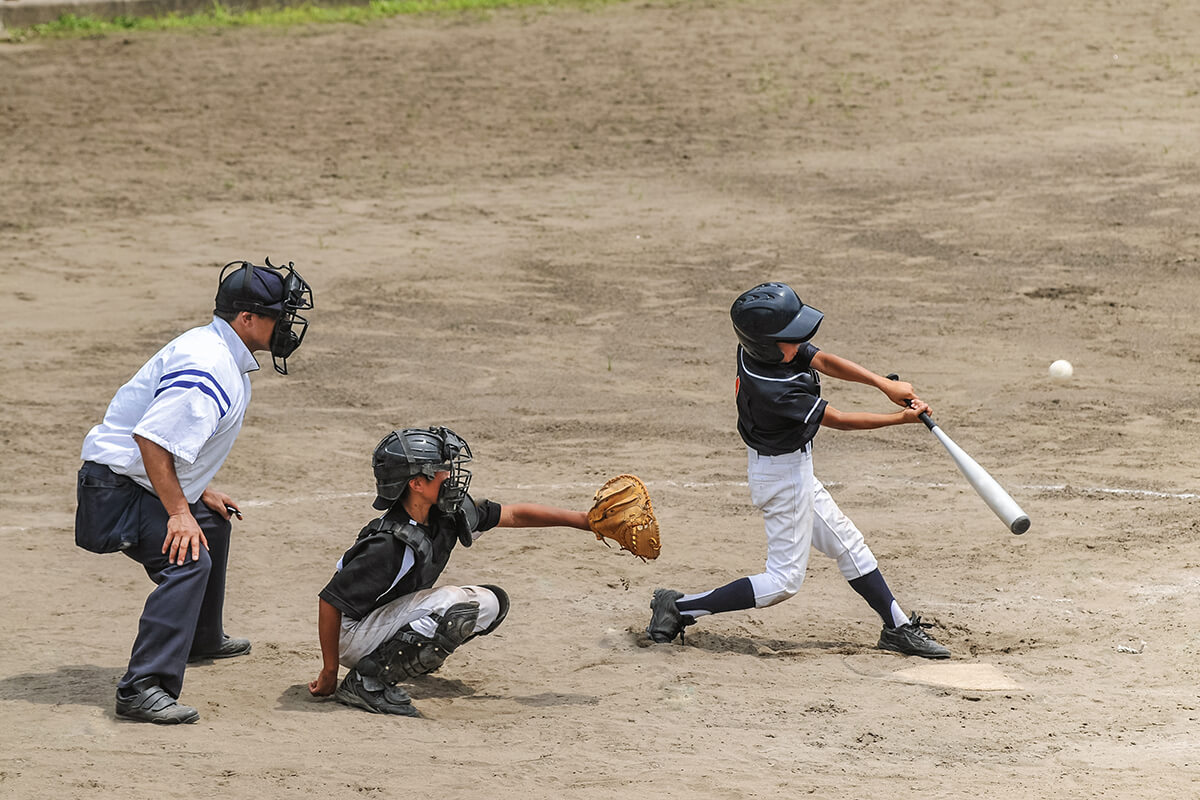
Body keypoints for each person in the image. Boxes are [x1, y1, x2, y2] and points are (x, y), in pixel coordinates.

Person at [646, 281, 950, 659]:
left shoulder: (764, 351)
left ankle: (898, 628)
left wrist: (881, 384)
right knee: (783, 582)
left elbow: (821, 359)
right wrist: (899, 419)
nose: (801, 341)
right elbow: (838, 419)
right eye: (792, 336)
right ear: (768, 344)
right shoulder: (774, 386)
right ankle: (679, 607)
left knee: (848, 546)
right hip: (782, 479)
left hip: (793, 472)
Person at [74, 258, 315, 724]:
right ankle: (143, 687)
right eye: (279, 316)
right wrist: (178, 511)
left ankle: (202, 637)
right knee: (186, 556)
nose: (287, 326)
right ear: (247, 319)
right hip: (114, 493)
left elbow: (165, 441)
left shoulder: (220, 352)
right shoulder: (209, 366)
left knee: (212, 523)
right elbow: (151, 439)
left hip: (131, 480)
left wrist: (196, 493)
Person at [308, 426, 591, 717]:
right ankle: (366, 683)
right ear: (417, 483)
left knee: (490, 604)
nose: (451, 475)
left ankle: (401, 656)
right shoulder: (388, 545)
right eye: (442, 469)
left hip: (379, 620)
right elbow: (331, 602)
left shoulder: (445, 514)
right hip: (351, 634)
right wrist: (330, 670)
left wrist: (583, 521)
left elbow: (514, 515)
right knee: (453, 603)